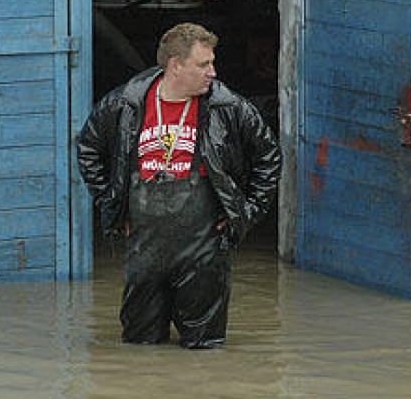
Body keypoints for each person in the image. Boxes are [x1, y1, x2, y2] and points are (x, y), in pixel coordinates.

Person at [77, 22, 281, 348]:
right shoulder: (125, 103)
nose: (212, 72)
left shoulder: (229, 106)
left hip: (204, 246)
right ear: (175, 65)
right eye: (203, 64)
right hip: (145, 245)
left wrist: (246, 211)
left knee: (204, 350)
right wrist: (110, 204)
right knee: (138, 346)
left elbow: (269, 158)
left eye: (212, 63)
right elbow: (88, 148)